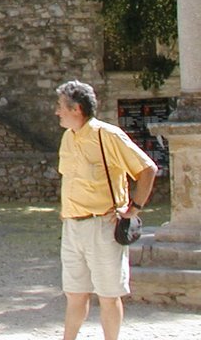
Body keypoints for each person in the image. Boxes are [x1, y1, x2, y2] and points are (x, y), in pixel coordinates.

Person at [54, 80, 157, 340]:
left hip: (103, 226)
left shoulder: (106, 135)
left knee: (109, 296)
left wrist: (134, 208)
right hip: (72, 227)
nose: (57, 112)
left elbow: (147, 169)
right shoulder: (68, 137)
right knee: (75, 294)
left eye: (60, 107)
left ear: (76, 109)